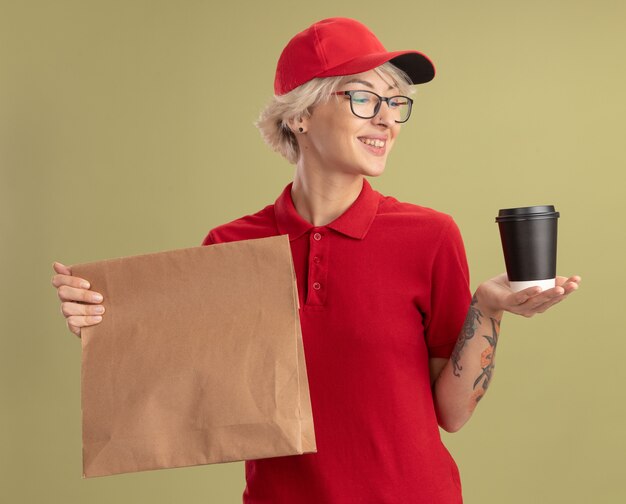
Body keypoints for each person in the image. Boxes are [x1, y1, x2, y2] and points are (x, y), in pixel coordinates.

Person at [51, 17, 580, 503]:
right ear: (301, 114)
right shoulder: (231, 246)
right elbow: (192, 391)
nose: (387, 121)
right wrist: (107, 327)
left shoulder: (430, 235)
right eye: (364, 99)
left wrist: (487, 309)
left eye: (396, 104)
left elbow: (453, 414)